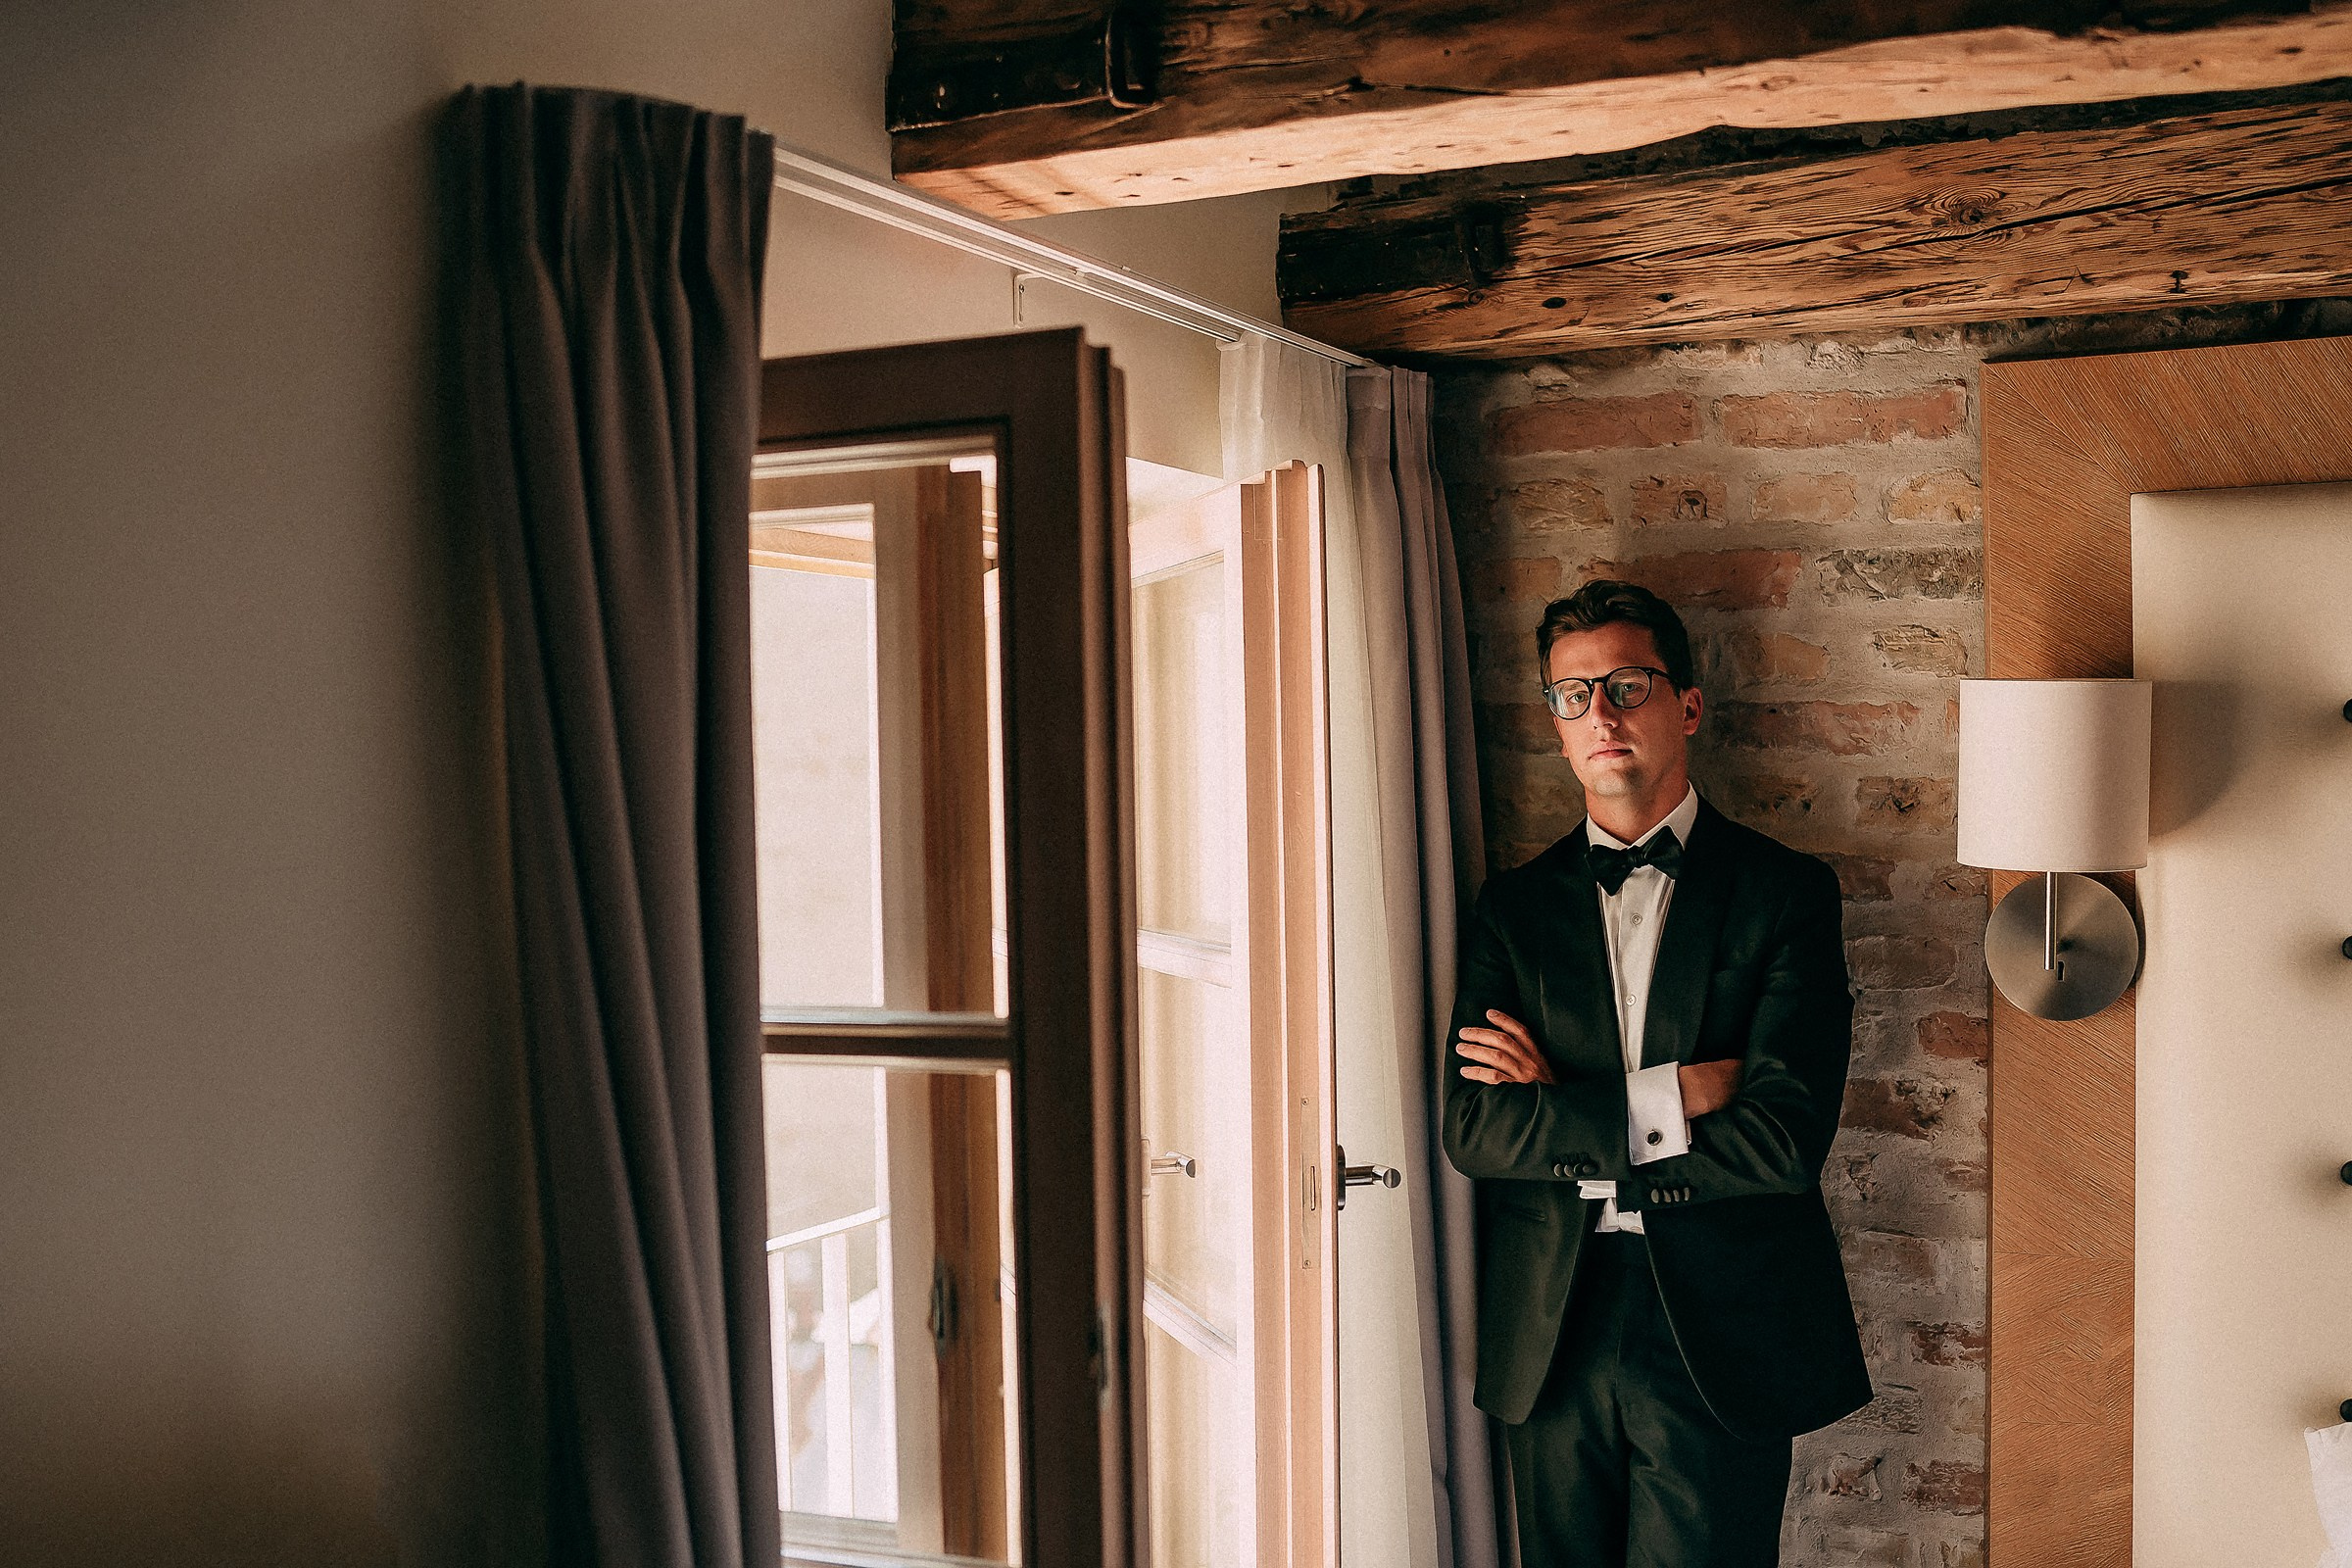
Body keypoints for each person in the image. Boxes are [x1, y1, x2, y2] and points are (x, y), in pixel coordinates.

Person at [1443, 579, 1871, 1567]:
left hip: (1716, 1324)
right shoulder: (1512, 908)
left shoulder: (1786, 893)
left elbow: (1784, 1137)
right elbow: (1474, 1129)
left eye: (1627, 686)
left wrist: (1562, 1113)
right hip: (1551, 1321)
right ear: (1554, 725)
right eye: (1573, 694)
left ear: (1686, 707)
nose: (1600, 713)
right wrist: (1674, 1095)